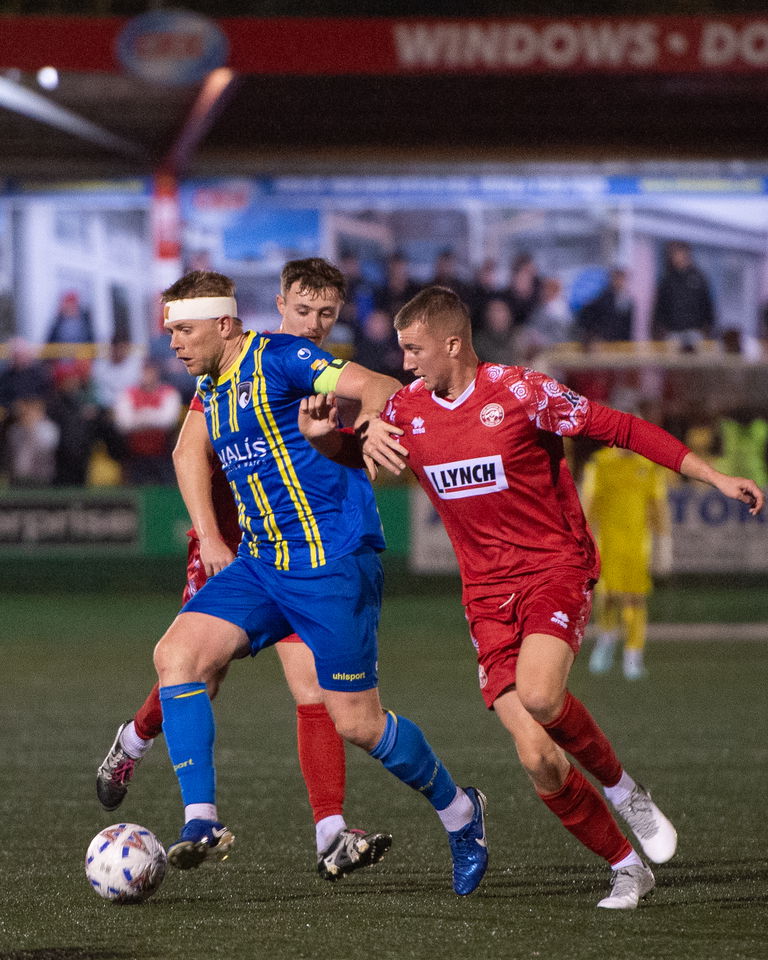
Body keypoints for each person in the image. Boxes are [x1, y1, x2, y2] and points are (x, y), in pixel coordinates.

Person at [299, 285, 763, 910]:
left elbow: (620, 428)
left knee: (543, 694)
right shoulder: (408, 411)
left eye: (414, 350)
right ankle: (628, 867)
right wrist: (327, 438)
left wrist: (713, 475)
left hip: (552, 568)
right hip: (485, 596)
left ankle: (627, 791)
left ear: (453, 343)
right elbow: (359, 456)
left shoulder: (522, 392)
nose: (405, 364)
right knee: (539, 758)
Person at [146, 263, 489, 895]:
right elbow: (186, 452)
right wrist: (216, 537)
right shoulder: (213, 387)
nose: (173, 343)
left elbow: (380, 384)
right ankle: (201, 820)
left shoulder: (284, 357)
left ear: (223, 324)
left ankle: (460, 810)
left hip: (331, 563)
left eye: (184, 330)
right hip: (263, 562)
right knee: (177, 655)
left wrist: (375, 420)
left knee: (357, 723)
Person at [97, 259, 393, 882]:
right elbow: (186, 451)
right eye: (303, 311)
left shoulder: (315, 377)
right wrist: (209, 537)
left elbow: (356, 430)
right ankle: (133, 741)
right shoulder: (236, 359)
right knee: (198, 674)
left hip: (301, 552)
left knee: (311, 687)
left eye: (327, 316)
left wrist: (364, 435)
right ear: (279, 305)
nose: (313, 325)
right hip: (233, 544)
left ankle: (331, 831)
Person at [581, 439, 672, 680]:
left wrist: (664, 543)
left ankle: (633, 655)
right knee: (607, 597)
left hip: (637, 545)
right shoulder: (600, 463)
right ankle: (607, 638)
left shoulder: (649, 466)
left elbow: (658, 506)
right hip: (606, 543)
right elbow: (589, 505)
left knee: (635, 599)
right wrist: (581, 541)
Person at [113, 359, 182, 484]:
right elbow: (123, 423)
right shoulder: (129, 393)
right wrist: (153, 416)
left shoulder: (169, 393)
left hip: (162, 453)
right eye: (145, 371)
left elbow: (168, 421)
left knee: (165, 489)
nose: (147, 375)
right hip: (134, 454)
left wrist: (140, 416)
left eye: (151, 372)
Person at [652, 241, 715, 348]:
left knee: (694, 363)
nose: (676, 256)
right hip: (673, 332)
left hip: (695, 332)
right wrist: (659, 331)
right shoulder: (667, 280)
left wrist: (708, 329)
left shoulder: (699, 278)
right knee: (673, 363)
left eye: (679, 252)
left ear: (687, 254)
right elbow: (659, 308)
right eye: (674, 253)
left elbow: (707, 306)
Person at [576, 268, 634, 345]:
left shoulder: (627, 299)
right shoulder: (602, 298)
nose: (619, 282)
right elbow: (587, 315)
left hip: (620, 343)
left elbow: (628, 325)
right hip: (604, 342)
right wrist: (595, 334)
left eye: (621, 279)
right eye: (617, 278)